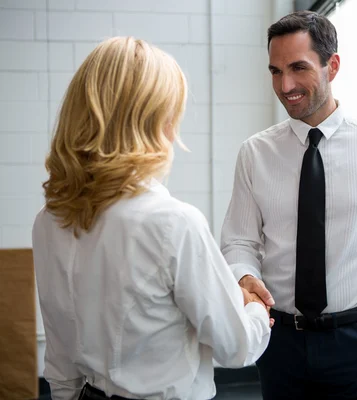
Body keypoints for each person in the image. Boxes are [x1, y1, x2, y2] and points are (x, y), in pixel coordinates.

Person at [32, 36, 271, 400]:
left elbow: (62, 359)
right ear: (153, 120)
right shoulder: (173, 223)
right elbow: (235, 346)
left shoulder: (50, 220)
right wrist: (253, 310)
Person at [220, 10, 357, 400]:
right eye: (275, 71)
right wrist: (244, 276)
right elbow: (239, 242)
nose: (285, 85)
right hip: (279, 342)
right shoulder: (255, 153)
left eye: (298, 68)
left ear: (331, 66)